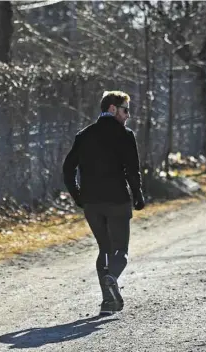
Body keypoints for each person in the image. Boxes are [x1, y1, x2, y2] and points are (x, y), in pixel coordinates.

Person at [62, 90, 145, 315]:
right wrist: (138, 195)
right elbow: (132, 170)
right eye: (125, 110)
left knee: (104, 249)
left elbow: (67, 169)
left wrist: (78, 196)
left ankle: (108, 303)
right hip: (117, 200)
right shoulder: (125, 135)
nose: (128, 115)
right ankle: (112, 278)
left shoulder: (83, 135)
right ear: (112, 109)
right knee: (121, 251)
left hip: (91, 203)